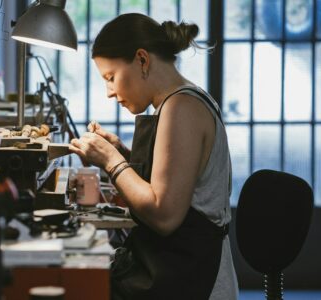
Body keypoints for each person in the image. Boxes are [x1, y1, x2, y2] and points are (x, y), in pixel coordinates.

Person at [68, 13, 238, 299]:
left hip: (192, 277)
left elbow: (164, 214)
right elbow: (175, 176)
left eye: (111, 77)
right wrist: (122, 151)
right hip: (183, 269)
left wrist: (112, 160)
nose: (109, 92)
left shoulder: (180, 108)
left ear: (142, 60)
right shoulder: (181, 100)